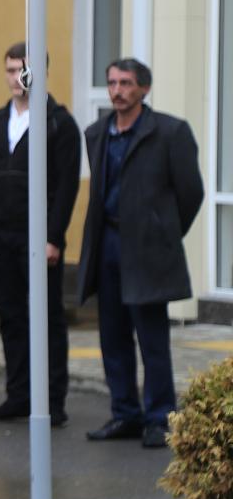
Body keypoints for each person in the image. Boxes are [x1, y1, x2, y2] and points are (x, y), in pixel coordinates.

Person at [78, 58, 203, 449]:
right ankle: (125, 414)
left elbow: (191, 193)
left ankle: (160, 417)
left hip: (148, 248)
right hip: (108, 243)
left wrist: (162, 230)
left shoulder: (169, 131)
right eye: (112, 83)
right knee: (112, 336)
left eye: (126, 83)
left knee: (152, 339)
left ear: (144, 89)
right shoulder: (97, 132)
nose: (118, 90)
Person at [0, 42, 80, 426]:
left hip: (38, 239)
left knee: (48, 318)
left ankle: (53, 402)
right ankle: (18, 396)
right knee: (11, 317)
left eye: (25, 69)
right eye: (11, 69)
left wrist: (54, 237)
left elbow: (66, 188)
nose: (18, 77)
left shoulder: (59, 123)